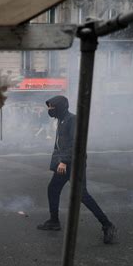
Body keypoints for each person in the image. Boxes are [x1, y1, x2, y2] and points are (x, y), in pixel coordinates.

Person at [37, 96, 117, 244]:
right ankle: (54, 221)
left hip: (74, 164)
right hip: (65, 163)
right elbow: (60, 145)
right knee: (53, 189)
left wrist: (65, 161)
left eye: (51, 107)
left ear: (60, 107)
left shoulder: (72, 120)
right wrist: (58, 161)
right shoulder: (61, 120)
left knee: (82, 195)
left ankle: (107, 224)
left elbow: (76, 143)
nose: (49, 110)